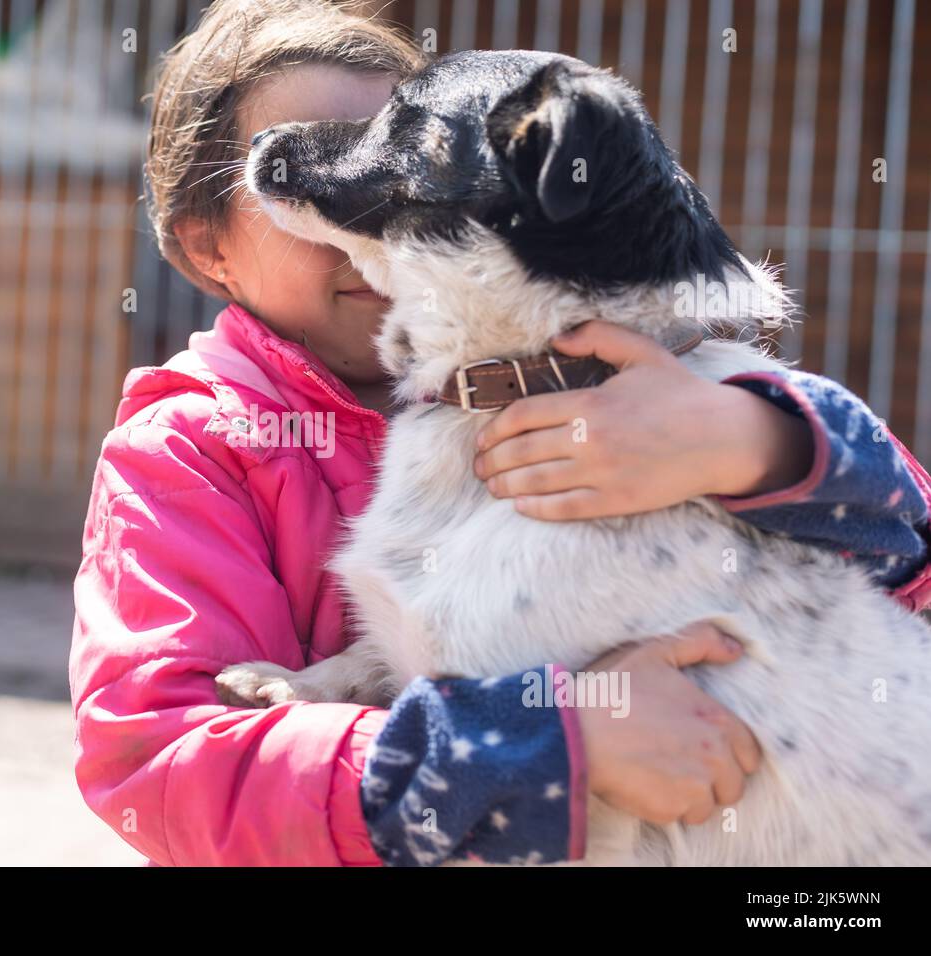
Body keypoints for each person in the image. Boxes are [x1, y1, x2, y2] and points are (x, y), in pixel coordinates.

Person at [68, 0, 931, 866]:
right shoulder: (191, 450)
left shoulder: (678, 395)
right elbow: (156, 764)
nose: (388, 200)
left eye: (403, 150)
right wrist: (551, 741)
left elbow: (910, 575)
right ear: (208, 249)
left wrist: (760, 444)